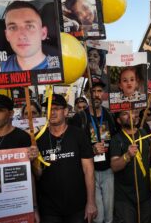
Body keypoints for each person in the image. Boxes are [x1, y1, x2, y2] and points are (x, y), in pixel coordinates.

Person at [36, 94, 97, 222]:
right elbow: (37, 174)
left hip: (77, 207)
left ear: (65, 111)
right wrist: (32, 160)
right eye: (48, 109)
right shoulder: (38, 139)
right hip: (49, 209)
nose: (51, 113)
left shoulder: (79, 135)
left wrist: (91, 202)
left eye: (56, 108)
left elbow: (88, 170)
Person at [70, 80, 117, 223]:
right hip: (89, 172)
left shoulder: (109, 115)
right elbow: (73, 147)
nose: (96, 95)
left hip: (108, 171)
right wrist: (91, 150)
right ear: (86, 94)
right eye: (93, 91)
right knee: (98, 216)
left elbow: (115, 140)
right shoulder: (79, 118)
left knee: (109, 216)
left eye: (99, 91)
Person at [110, 110, 151, 223]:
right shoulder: (116, 139)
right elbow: (114, 166)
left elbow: (148, 156)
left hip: (145, 195)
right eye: (125, 114)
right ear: (119, 121)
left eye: (132, 112)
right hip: (125, 198)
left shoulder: (144, 133)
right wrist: (127, 156)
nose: (130, 116)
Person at [1, 1, 58, 71]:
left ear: (43, 33)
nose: (21, 36)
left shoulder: (60, 68)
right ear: (7, 35)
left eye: (30, 26)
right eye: (13, 28)